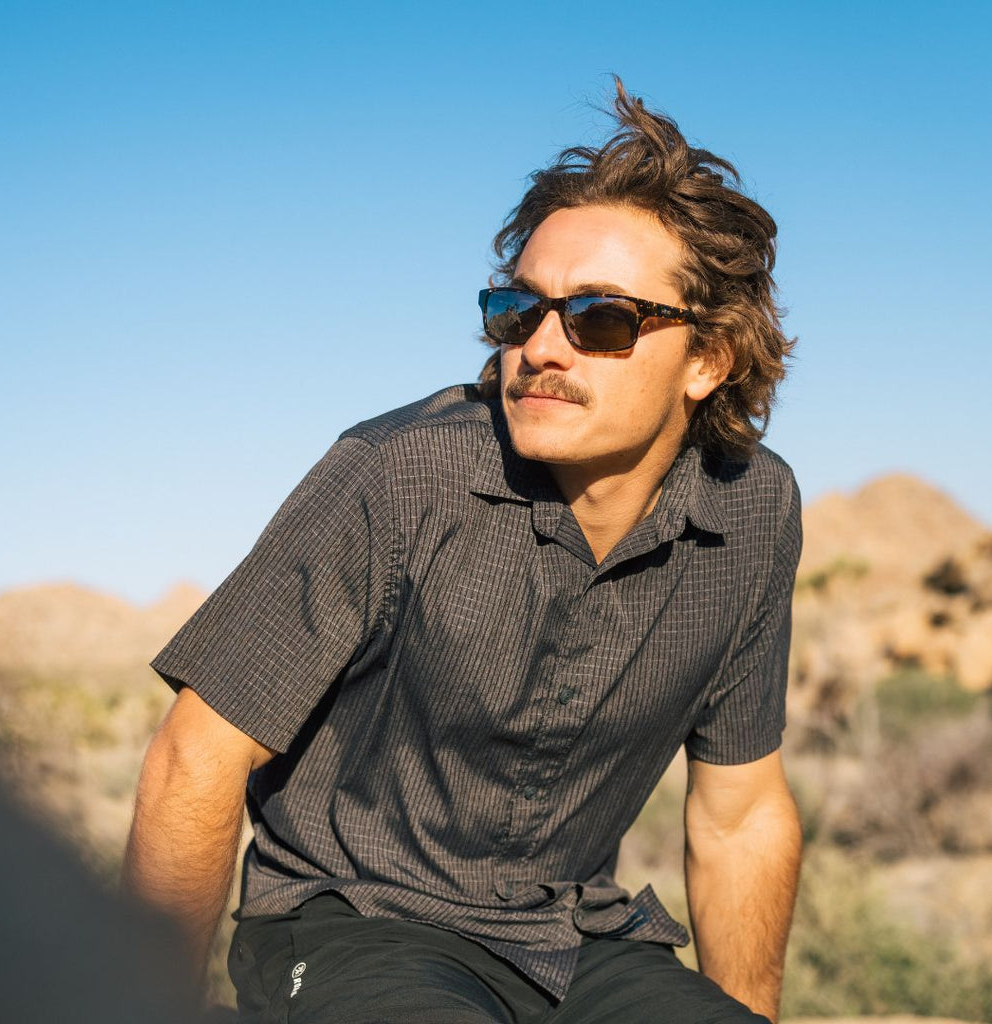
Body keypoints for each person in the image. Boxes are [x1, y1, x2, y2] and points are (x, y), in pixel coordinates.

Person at [123, 79, 802, 1024]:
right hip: (351, 922)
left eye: (601, 319)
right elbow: (193, 759)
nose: (545, 348)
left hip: (573, 943)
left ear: (707, 359)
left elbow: (738, 815)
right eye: (519, 311)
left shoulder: (752, 509)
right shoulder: (398, 476)